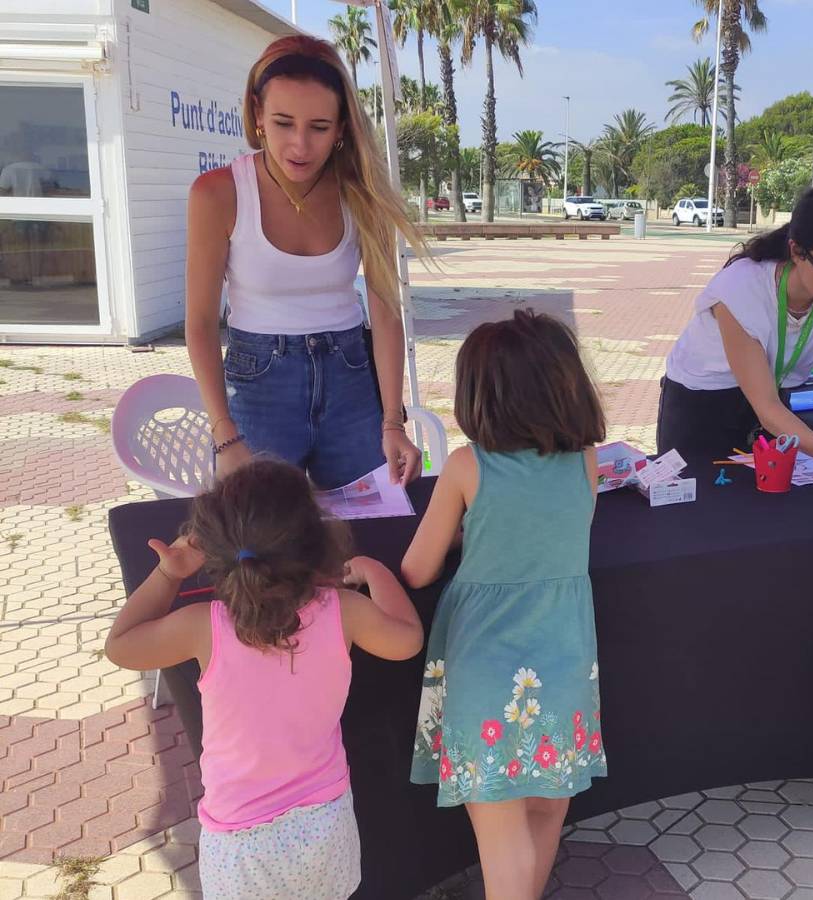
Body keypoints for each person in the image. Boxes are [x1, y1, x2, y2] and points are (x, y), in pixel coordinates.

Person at [104, 459, 424, 900]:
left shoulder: (202, 625)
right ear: (317, 542)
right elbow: (407, 640)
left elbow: (121, 646)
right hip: (324, 825)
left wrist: (168, 573)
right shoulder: (343, 611)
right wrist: (373, 571)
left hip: (239, 844)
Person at [404, 309, 608, 900]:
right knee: (546, 813)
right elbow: (558, 536)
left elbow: (417, 568)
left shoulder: (468, 466)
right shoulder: (587, 461)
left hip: (487, 676)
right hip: (567, 666)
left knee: (499, 832)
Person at [185, 35, 424, 490]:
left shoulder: (363, 192)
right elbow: (198, 323)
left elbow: (386, 311)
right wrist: (224, 434)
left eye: (318, 126)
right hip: (259, 383)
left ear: (341, 129)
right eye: (282, 123)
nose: (300, 145)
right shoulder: (217, 193)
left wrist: (393, 421)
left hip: (351, 376)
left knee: (373, 525)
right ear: (257, 116)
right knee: (264, 545)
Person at [657, 182, 813, 492]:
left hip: (774, 401)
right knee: (698, 513)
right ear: (797, 251)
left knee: (767, 510)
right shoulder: (741, 289)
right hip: (702, 403)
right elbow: (766, 406)